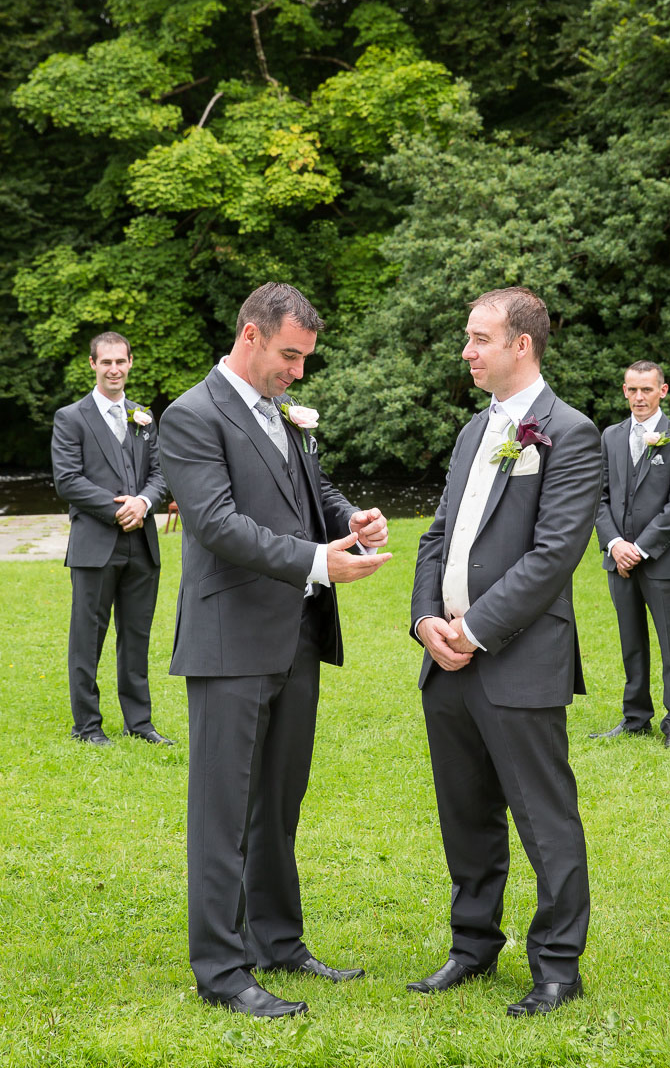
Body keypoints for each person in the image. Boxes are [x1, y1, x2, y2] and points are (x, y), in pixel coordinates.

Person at [158, 282, 391, 1020]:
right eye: (290, 356)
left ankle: (279, 941)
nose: (298, 373)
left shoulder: (282, 414)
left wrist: (346, 515)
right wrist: (319, 562)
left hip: (295, 636)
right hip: (229, 640)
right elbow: (219, 524)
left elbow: (306, 490)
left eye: (304, 360)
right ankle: (222, 972)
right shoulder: (192, 416)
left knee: (278, 805)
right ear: (251, 336)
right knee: (223, 812)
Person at [409, 287, 602, 1017]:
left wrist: (475, 629)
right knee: (465, 814)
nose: (467, 351)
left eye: (479, 338)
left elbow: (554, 556)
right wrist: (427, 619)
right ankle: (472, 946)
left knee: (544, 818)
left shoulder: (571, 432)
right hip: (446, 658)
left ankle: (556, 965)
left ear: (521, 344)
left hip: (516, 657)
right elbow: (437, 536)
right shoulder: (471, 432)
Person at [51, 332, 171, 747]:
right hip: (94, 544)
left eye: (121, 361)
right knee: (87, 639)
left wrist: (144, 501)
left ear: (131, 362)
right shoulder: (71, 417)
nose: (114, 369)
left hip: (142, 544)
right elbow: (67, 481)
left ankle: (139, 724)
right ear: (92, 365)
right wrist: (118, 508)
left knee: (136, 637)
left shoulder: (144, 417)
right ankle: (87, 726)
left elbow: (162, 474)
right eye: (106, 363)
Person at [592, 360, 670, 748]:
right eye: (632, 389)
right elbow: (598, 497)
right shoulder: (610, 436)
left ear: (663, 391)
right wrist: (614, 544)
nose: (639, 397)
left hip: (664, 562)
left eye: (647, 390)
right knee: (631, 641)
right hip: (617, 560)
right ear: (624, 391)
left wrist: (638, 548)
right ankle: (636, 717)